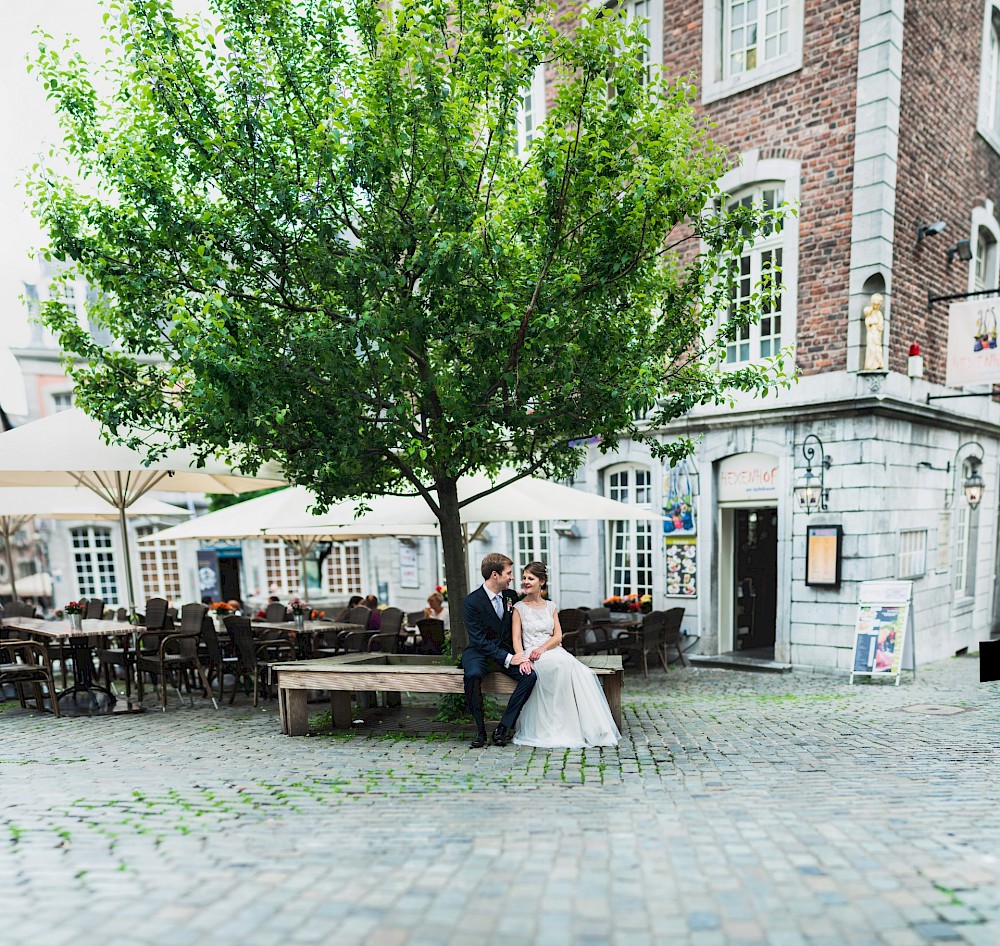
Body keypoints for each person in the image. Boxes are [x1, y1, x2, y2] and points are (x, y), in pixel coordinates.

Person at [512, 561, 620, 749]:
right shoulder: (519, 608)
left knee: (583, 672)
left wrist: (544, 648)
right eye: (524, 578)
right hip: (532, 653)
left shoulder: (551, 606)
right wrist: (522, 658)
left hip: (549, 650)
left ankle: (590, 727)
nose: (525, 582)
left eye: (531, 578)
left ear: (542, 582)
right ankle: (556, 725)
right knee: (562, 666)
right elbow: (516, 638)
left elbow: (558, 636)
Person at [461, 552, 537, 748]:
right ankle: (480, 731)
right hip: (479, 652)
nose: (512, 577)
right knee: (472, 675)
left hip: (506, 652)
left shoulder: (511, 597)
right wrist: (507, 657)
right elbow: (478, 639)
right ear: (495, 575)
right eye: (509, 573)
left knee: (530, 676)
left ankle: (503, 727)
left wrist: (520, 656)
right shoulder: (471, 602)